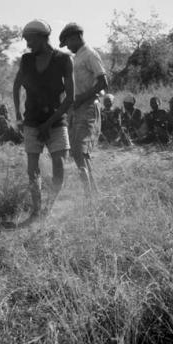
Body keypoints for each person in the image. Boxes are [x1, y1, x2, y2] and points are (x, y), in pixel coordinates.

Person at [13, 19, 74, 220]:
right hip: (32, 121)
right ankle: (36, 209)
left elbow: (70, 98)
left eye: (30, 39)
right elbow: (16, 86)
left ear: (41, 37)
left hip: (56, 122)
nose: (28, 44)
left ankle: (50, 205)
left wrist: (48, 124)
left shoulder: (64, 60)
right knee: (32, 168)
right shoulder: (27, 60)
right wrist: (18, 114)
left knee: (59, 164)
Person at [59, 22, 108, 197]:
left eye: (68, 43)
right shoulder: (76, 57)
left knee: (79, 151)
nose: (68, 47)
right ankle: (93, 192)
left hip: (88, 107)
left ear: (76, 37)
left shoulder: (90, 54)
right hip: (77, 109)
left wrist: (81, 98)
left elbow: (103, 83)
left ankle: (89, 195)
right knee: (79, 152)